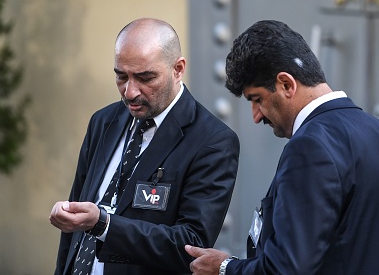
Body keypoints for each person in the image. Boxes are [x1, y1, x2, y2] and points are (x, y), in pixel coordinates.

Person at [185, 20, 379, 274]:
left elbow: (286, 268)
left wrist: (225, 268)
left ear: (286, 84)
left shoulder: (310, 147)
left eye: (257, 99)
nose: (256, 116)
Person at [49, 18, 240, 275]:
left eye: (145, 77)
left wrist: (104, 225)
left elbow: (191, 244)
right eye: (121, 76)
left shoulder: (212, 141)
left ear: (178, 69)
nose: (129, 92)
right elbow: (72, 230)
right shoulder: (103, 121)